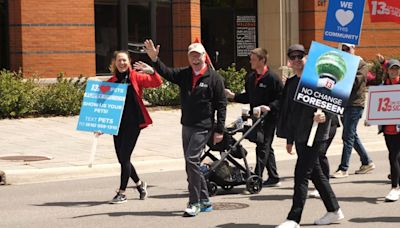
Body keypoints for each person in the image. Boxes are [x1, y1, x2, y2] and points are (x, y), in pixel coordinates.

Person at [143, 39, 227, 217]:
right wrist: (155, 60)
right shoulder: (184, 74)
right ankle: (204, 200)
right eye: (192, 56)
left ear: (204, 56)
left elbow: (221, 105)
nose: (195, 59)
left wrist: (219, 130)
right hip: (186, 125)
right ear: (188, 58)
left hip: (203, 127)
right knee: (191, 164)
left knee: (191, 160)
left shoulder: (214, 78)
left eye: (198, 55)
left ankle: (194, 201)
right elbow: (166, 73)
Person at [276, 44, 343, 228]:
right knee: (316, 174)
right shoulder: (290, 83)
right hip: (299, 135)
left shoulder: (317, 80)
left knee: (301, 174)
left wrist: (324, 116)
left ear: (307, 58)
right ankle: (334, 210)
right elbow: (289, 113)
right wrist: (289, 139)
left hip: (315, 135)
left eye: (300, 56)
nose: (297, 60)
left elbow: (332, 103)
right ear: (289, 61)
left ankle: (293, 219)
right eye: (293, 57)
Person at [99, 50, 162, 204]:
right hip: (117, 125)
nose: (122, 63)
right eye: (119, 60)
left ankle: (122, 192)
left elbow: (157, 83)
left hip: (133, 124)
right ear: (114, 63)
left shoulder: (135, 77)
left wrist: (152, 72)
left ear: (129, 62)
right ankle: (140, 185)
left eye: (124, 60)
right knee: (122, 159)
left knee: (125, 157)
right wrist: (99, 125)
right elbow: (103, 107)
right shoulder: (110, 82)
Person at [225, 47, 283, 187]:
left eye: (253, 59)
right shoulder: (251, 78)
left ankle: (256, 177)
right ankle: (274, 177)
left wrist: (270, 107)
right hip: (256, 117)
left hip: (269, 117)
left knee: (263, 146)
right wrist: (233, 96)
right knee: (265, 145)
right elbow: (248, 97)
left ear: (262, 60)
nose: (250, 61)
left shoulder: (273, 78)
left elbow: (282, 98)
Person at [332, 43, 375, 178]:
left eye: (348, 49)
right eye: (343, 49)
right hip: (344, 104)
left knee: (347, 136)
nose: (345, 51)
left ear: (354, 49)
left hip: (355, 105)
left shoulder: (361, 64)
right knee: (351, 135)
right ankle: (367, 162)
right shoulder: (342, 64)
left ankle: (343, 168)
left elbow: (355, 83)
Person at [376, 55, 400, 201]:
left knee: (394, 157)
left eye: (397, 69)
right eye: (391, 69)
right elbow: (376, 105)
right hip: (387, 129)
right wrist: (372, 118)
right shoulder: (382, 87)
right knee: (394, 156)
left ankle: (394, 187)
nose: (394, 71)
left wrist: (384, 62)